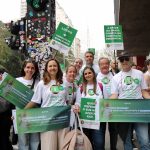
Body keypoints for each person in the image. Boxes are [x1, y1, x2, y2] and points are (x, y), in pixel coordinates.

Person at [25, 58, 68, 150]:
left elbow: (66, 101)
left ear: (58, 68)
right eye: (50, 66)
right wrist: (20, 114)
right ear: (47, 68)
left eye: (55, 65)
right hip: (48, 120)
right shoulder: (42, 83)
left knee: (63, 147)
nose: (53, 68)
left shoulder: (64, 83)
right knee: (49, 147)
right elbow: (35, 101)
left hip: (62, 120)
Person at [110, 55, 150, 150]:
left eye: (126, 59)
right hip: (123, 112)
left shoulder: (139, 73)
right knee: (127, 141)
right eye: (121, 60)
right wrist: (102, 104)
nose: (124, 61)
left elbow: (143, 91)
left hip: (139, 109)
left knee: (144, 140)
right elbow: (115, 95)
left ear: (131, 60)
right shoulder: (116, 78)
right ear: (119, 62)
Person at [75, 66, 105, 150]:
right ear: (83, 76)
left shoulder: (101, 85)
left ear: (93, 74)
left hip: (98, 120)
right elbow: (78, 102)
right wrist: (77, 107)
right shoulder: (81, 88)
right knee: (87, 143)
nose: (87, 75)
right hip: (85, 119)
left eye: (89, 73)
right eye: (85, 74)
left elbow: (106, 101)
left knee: (99, 143)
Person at [16, 59, 40, 150]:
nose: (30, 70)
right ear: (24, 68)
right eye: (28, 67)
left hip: (34, 113)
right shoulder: (17, 81)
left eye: (32, 68)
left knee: (35, 138)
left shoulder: (39, 82)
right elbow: (11, 99)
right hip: (21, 112)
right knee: (23, 138)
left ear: (35, 70)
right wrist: (13, 114)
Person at [97, 57, 118, 150]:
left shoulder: (115, 75)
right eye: (102, 64)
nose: (104, 65)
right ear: (99, 66)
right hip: (101, 107)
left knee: (113, 130)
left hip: (113, 106)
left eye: (106, 63)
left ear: (109, 64)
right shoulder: (96, 77)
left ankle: (113, 148)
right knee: (101, 130)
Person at [0, 69, 13, 150]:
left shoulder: (8, 86)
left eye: (1, 75)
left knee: (4, 140)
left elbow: (10, 102)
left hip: (5, 118)